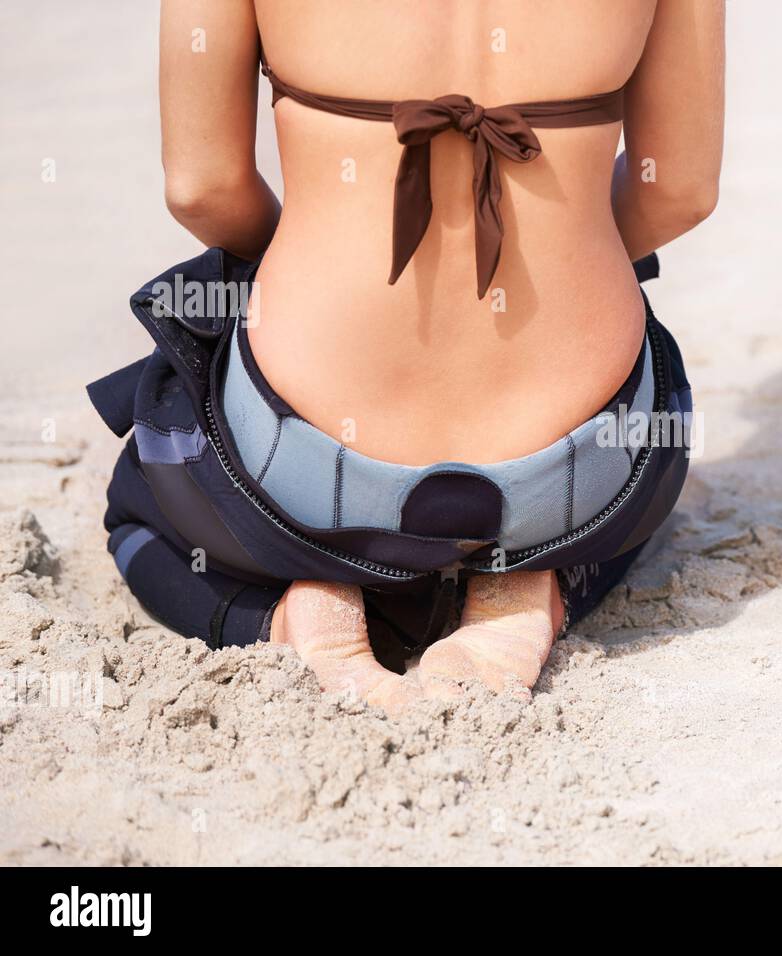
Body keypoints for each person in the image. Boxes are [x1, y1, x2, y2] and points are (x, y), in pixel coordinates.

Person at [89, 0, 724, 711]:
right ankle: (531, 578)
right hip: (577, 464)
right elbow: (678, 191)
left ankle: (285, 615)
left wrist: (299, 267)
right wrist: (575, 257)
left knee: (143, 499)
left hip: (298, 466)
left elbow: (203, 187)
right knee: (651, 419)